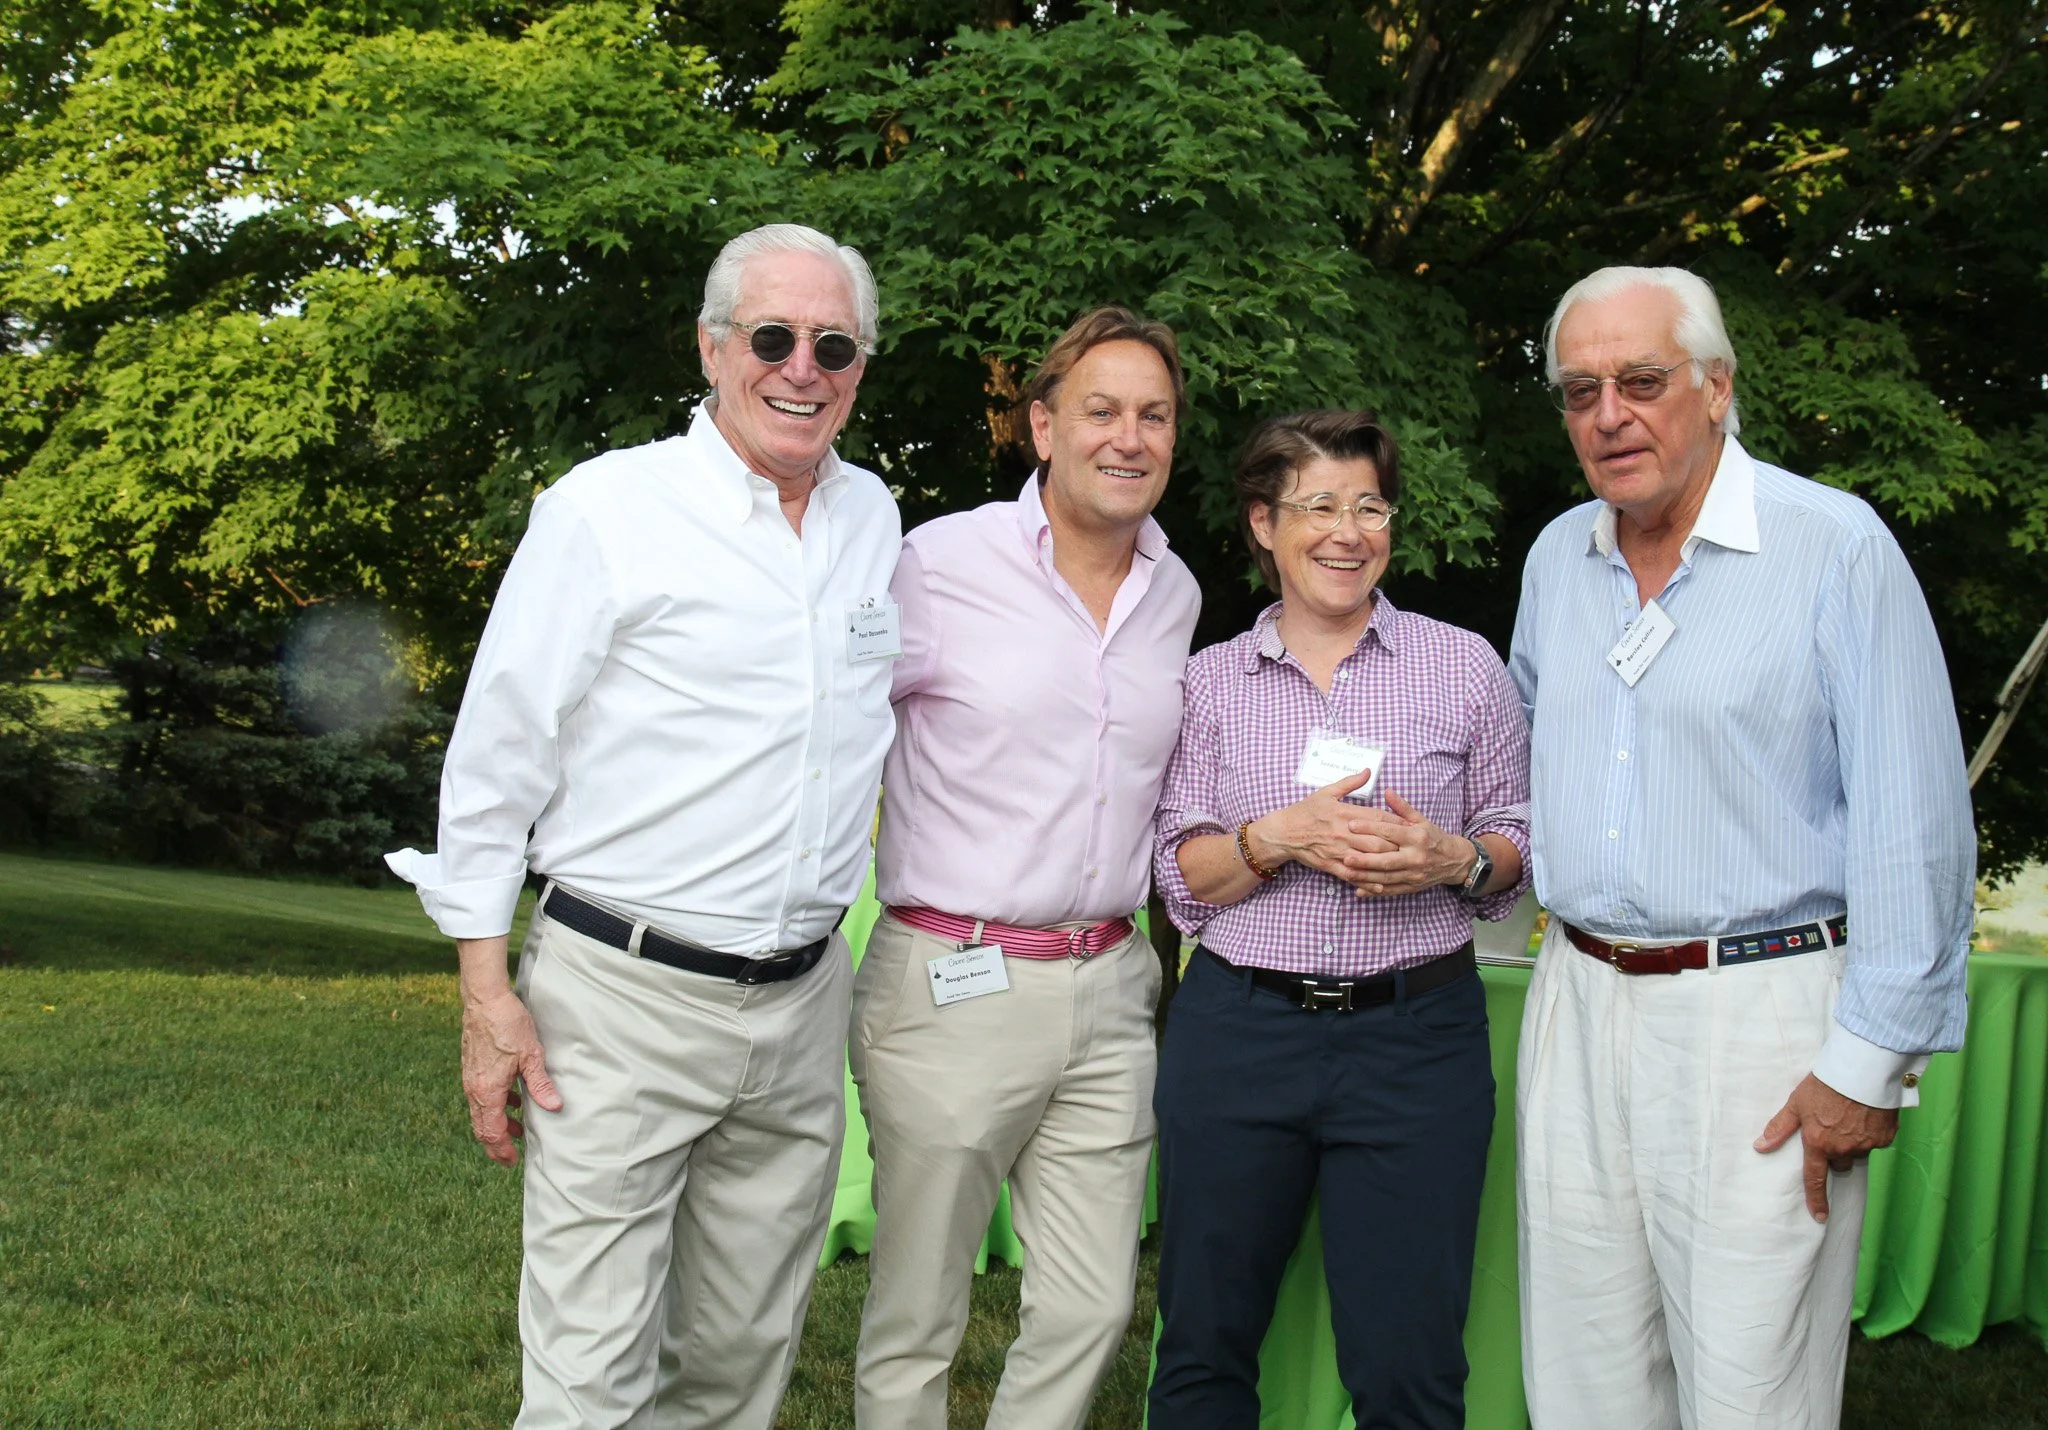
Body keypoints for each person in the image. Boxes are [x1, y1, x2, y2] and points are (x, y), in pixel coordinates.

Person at [383, 223, 901, 1430]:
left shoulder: (871, 517)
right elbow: (497, 753)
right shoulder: (606, 509)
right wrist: (481, 986)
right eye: (772, 337)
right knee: (589, 1373)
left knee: (736, 1362)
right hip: (617, 997)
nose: (801, 367)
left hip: (798, 1004)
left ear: (859, 367)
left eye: (833, 344)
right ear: (714, 346)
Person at [1509, 265, 1975, 1429]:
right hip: (1575, 1002)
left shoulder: (1832, 548)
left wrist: (1864, 1064)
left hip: (1757, 1018)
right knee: (1580, 1379)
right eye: (1578, 390)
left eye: (1640, 379)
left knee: (1749, 1388)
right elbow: (1522, 771)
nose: (1606, 413)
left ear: (1715, 387)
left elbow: (1912, 819)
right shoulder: (1555, 557)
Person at [850, 306, 1202, 1429]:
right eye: (1100, 410)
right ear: (1042, 425)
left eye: (1152, 415)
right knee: (919, 1308)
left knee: (1092, 1303)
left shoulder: (1175, 593)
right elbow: (831, 721)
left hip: (1109, 989)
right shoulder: (936, 564)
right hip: (953, 978)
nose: (1128, 436)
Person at [1148, 408, 1532, 1428]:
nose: (1346, 531)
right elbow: (1181, 879)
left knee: (1408, 1366)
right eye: (1317, 505)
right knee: (1202, 1343)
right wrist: (1269, 838)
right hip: (1238, 1032)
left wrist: (1452, 858)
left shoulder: (1462, 666)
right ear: (1262, 524)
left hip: (1415, 1042)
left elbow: (1512, 843)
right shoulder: (1208, 681)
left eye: (1368, 505)